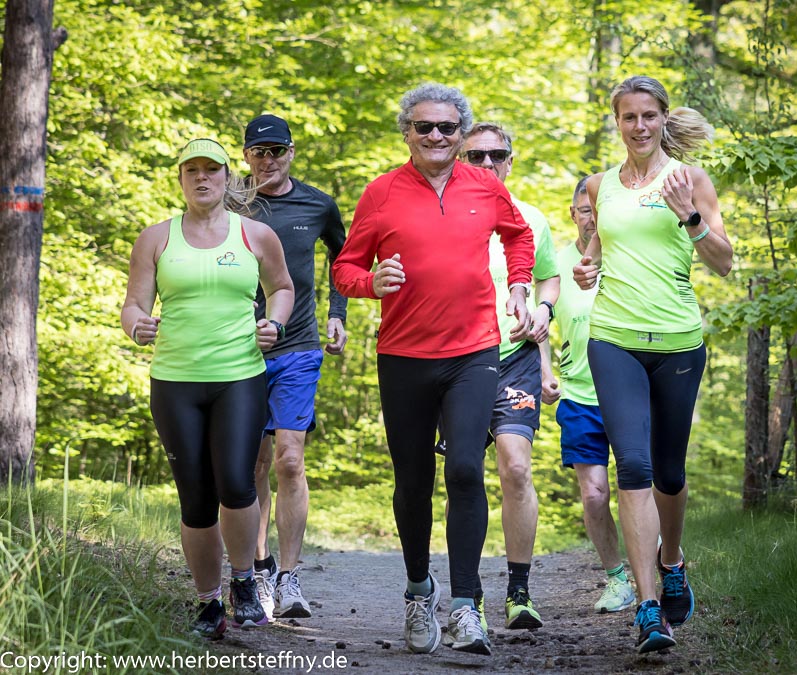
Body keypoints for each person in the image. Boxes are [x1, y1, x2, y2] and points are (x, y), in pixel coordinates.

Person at [333, 83, 535, 657]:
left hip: (474, 352)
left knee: (468, 469)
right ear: (408, 132)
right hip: (403, 356)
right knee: (413, 480)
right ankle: (420, 590)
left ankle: (467, 606)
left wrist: (520, 284)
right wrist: (372, 283)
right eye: (426, 127)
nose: (438, 137)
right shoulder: (381, 193)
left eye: (449, 128)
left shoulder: (485, 186)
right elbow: (345, 268)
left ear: (461, 132)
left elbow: (519, 237)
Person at [573, 76, 733, 654]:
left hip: (677, 344)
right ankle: (647, 609)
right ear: (616, 122)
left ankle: (673, 560)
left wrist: (691, 217)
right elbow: (596, 252)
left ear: (664, 118)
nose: (638, 126)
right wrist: (587, 270)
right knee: (633, 467)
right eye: (627, 117)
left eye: (648, 116)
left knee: (669, 471)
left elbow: (724, 263)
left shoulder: (690, 180)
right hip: (613, 340)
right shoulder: (599, 186)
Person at [121, 138, 294, 638]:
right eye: (191, 170)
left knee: (237, 483)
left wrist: (275, 325)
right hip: (174, 381)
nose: (202, 178)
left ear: (226, 177)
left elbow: (282, 289)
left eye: (211, 170)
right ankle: (207, 605)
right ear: (180, 179)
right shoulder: (156, 238)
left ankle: (244, 582)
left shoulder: (255, 235)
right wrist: (138, 326)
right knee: (195, 496)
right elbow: (133, 303)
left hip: (239, 376)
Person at [241, 114, 348, 621]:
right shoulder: (229, 201)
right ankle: (257, 570)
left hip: (299, 345)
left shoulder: (318, 204)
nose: (268, 159)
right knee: (254, 464)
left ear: (291, 153)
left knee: (288, 460)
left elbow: (343, 260)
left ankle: (289, 577)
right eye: (259, 151)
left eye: (277, 151)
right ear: (245, 156)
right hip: (236, 350)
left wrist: (337, 315)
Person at [455, 122, 560, 630]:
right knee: (464, 474)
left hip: (513, 356)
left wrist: (544, 309)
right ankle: (466, 593)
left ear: (511, 162)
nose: (486, 165)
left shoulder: (531, 217)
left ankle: (518, 591)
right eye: (475, 156)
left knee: (516, 468)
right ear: (459, 158)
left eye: (497, 156)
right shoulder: (442, 212)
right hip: (455, 359)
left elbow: (551, 274)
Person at [540, 177, 636, 615]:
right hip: (579, 395)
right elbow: (540, 323)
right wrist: (544, 372)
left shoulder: (629, 254)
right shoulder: (558, 263)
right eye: (584, 209)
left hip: (632, 392)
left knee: (640, 487)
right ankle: (617, 579)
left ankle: (657, 562)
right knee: (595, 495)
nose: (592, 216)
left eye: (599, 209)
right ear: (572, 213)